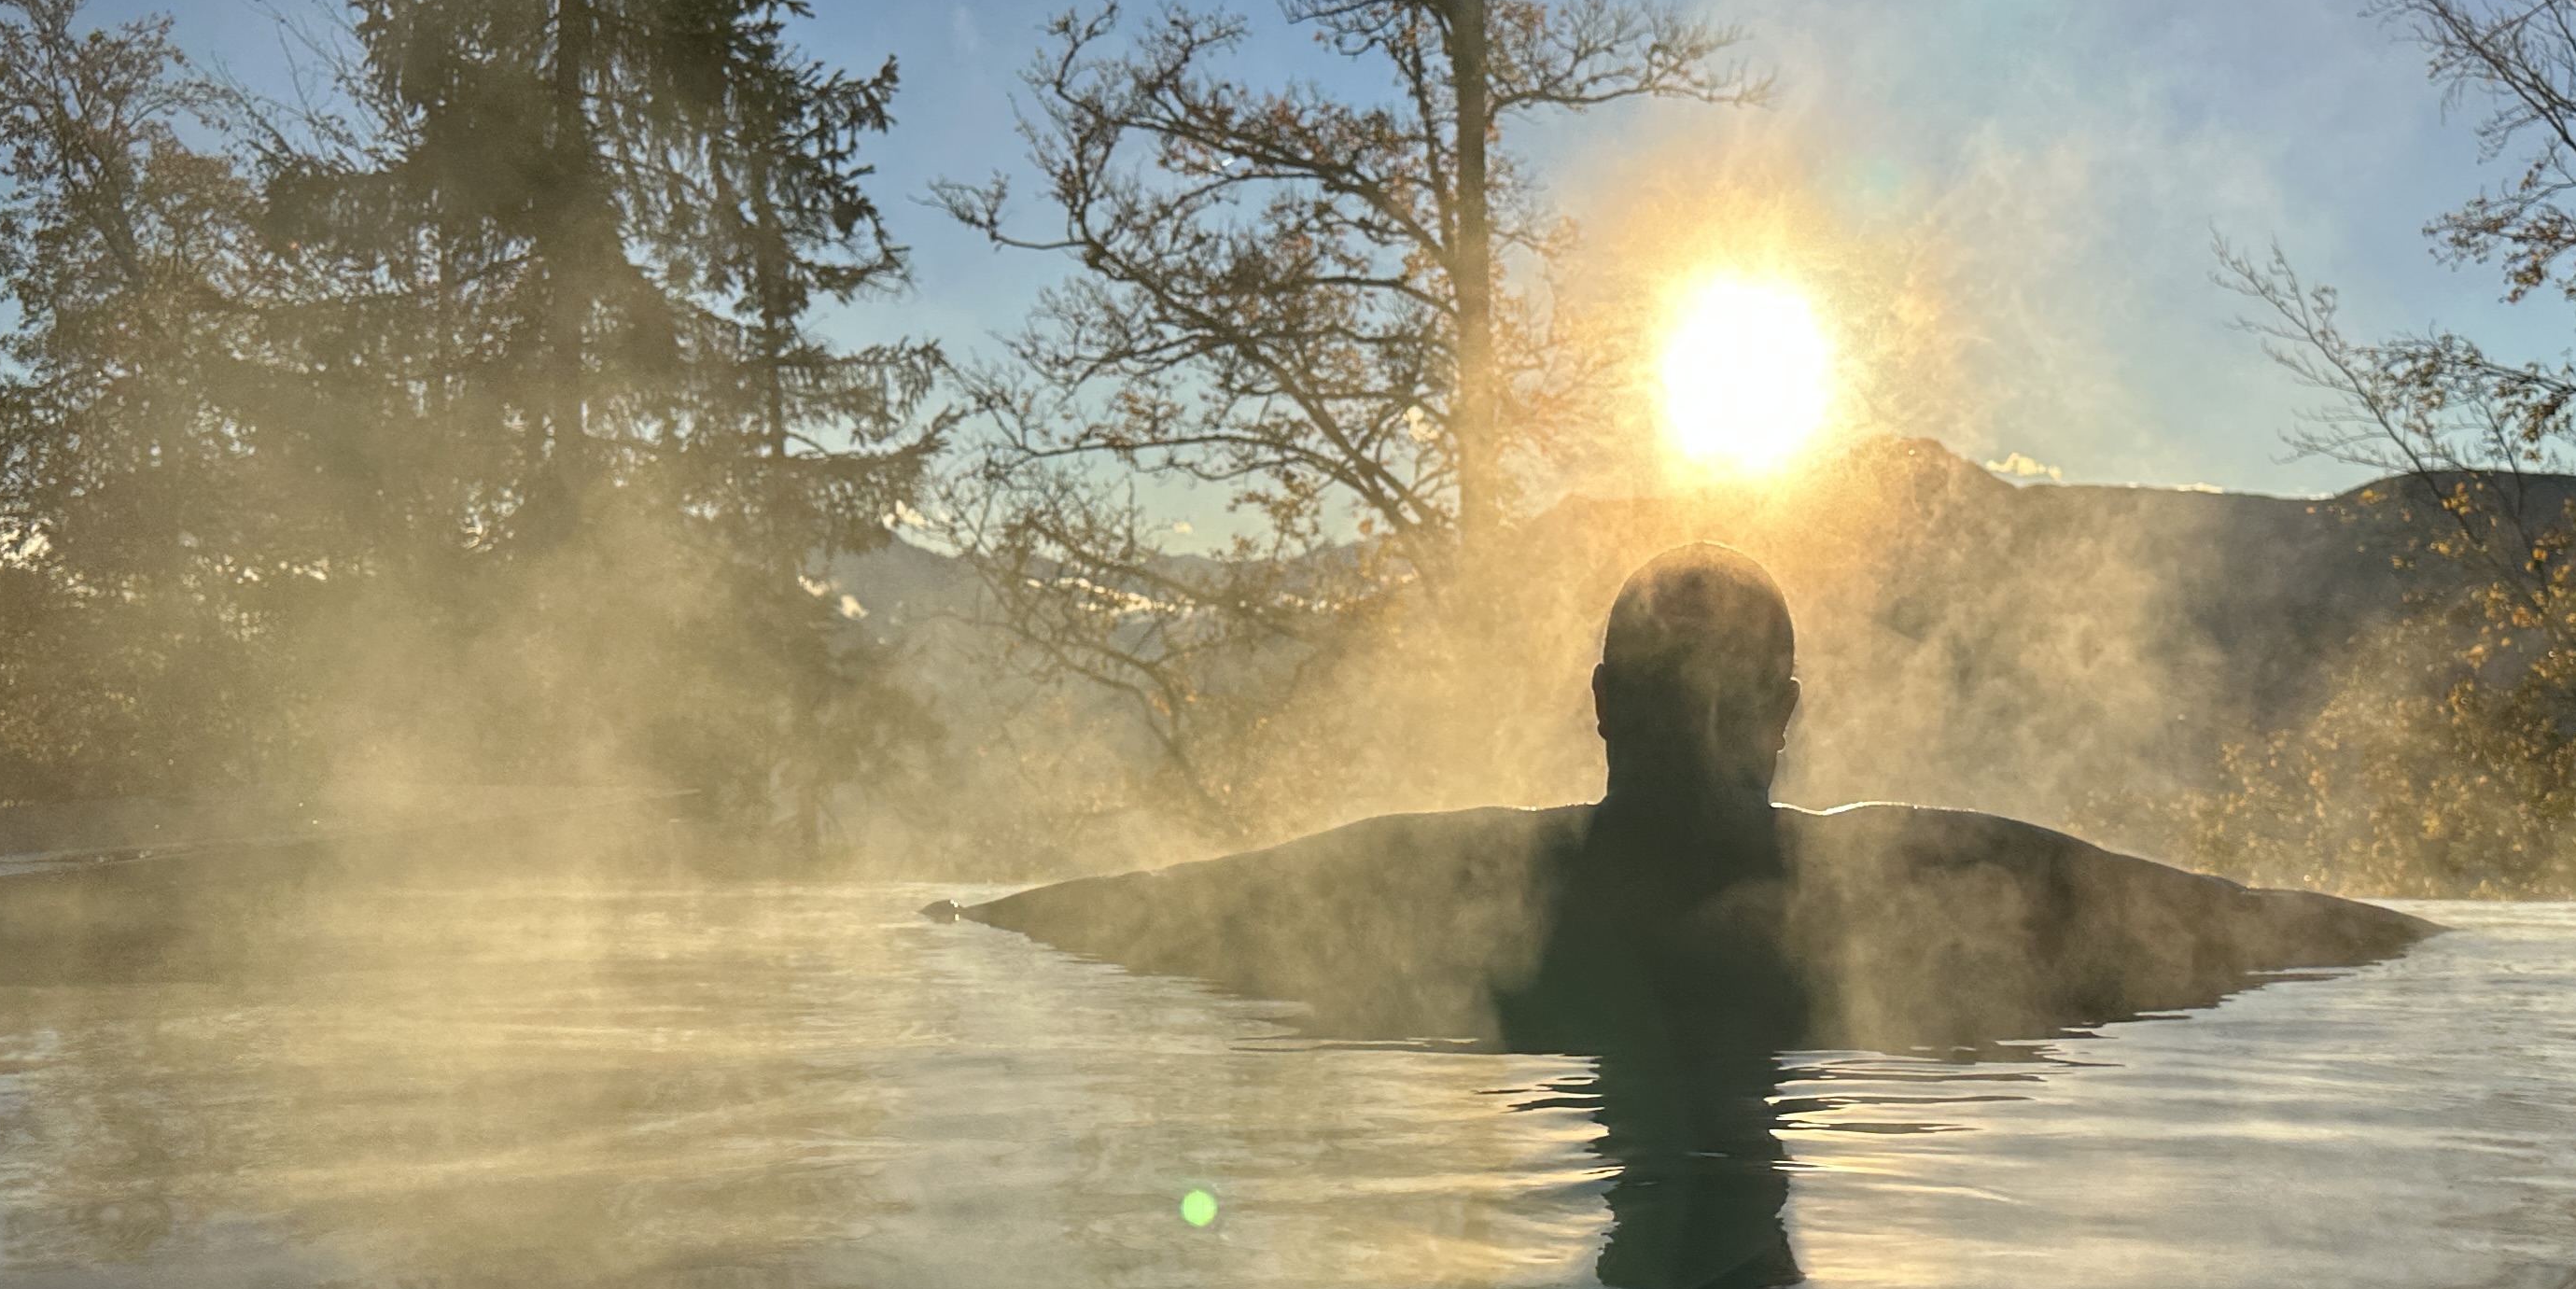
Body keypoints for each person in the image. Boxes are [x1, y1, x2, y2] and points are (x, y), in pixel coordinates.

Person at [959, 541, 2432, 1056]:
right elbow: (1173, 913)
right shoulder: (1468, 888)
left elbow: (2241, 924)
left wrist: (962, 923)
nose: (1707, 724)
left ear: (1787, 718)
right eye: (1677, 693)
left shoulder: (1913, 889)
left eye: (1733, 696)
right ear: (1606, 710)